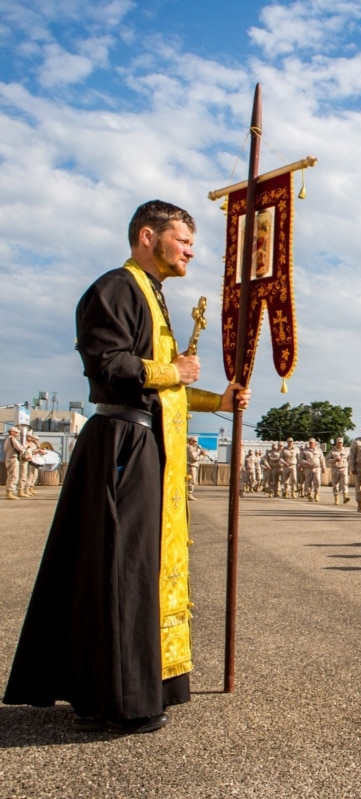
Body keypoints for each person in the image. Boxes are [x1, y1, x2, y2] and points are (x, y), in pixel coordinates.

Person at [4, 199, 250, 734]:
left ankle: (140, 687)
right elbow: (108, 363)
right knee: (120, 568)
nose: (191, 250)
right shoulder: (115, 287)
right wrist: (176, 369)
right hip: (121, 442)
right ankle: (110, 698)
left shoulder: (154, 295)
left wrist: (218, 402)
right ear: (148, 236)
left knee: (140, 568)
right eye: (183, 239)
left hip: (145, 442)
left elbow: (169, 388)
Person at [328, 438, 350, 504]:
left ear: (342, 443)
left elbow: (350, 459)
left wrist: (350, 469)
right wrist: (334, 460)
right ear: (336, 443)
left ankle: (345, 497)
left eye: (341, 443)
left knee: (345, 483)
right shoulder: (332, 450)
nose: (340, 444)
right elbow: (327, 459)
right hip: (335, 469)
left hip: (344, 468)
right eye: (338, 442)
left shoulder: (346, 450)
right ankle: (336, 498)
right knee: (335, 484)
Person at [5, 428, 23, 500]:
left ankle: (9, 492)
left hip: (10, 458)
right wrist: (23, 447)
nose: (17, 434)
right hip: (13, 459)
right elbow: (19, 448)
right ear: (12, 432)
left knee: (11, 476)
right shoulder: (12, 439)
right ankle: (9, 493)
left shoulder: (7, 439)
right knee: (13, 476)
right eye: (16, 432)